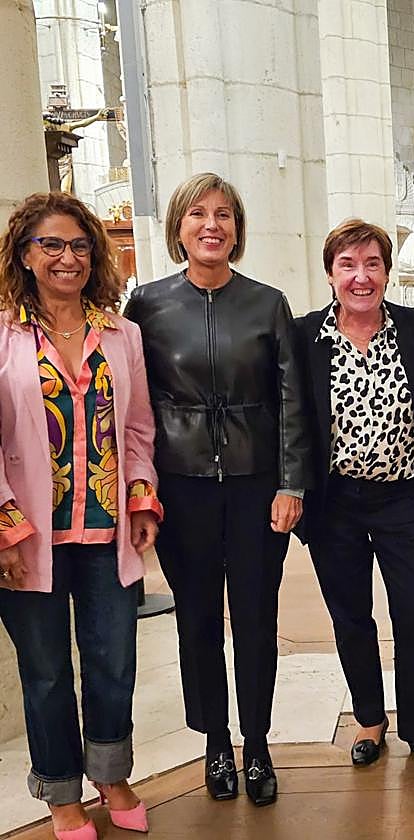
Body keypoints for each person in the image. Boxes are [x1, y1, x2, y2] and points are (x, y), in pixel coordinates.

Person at [124, 173, 311, 807]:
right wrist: (142, 489)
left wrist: (291, 484)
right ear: (178, 226)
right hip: (182, 487)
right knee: (198, 618)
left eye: (224, 214)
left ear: (238, 228)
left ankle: (256, 742)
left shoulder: (267, 303)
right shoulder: (146, 305)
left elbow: (292, 402)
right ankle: (214, 740)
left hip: (258, 485)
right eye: (199, 214)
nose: (213, 225)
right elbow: (132, 405)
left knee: (257, 617)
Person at [0, 192, 162, 840]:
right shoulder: (5, 335)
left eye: (78, 245)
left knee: (113, 662)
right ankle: (62, 792)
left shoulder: (123, 335)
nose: (67, 258)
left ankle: (109, 771)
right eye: (51, 245)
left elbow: (140, 429)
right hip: (27, 536)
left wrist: (142, 496)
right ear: (25, 254)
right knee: (44, 672)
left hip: (106, 530)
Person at [294, 219, 414, 776]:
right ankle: (368, 718)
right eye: (348, 265)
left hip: (402, 497)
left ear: (387, 271)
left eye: (372, 265)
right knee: (351, 615)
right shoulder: (305, 335)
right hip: (335, 502)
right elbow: (290, 418)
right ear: (330, 272)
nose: (361, 278)